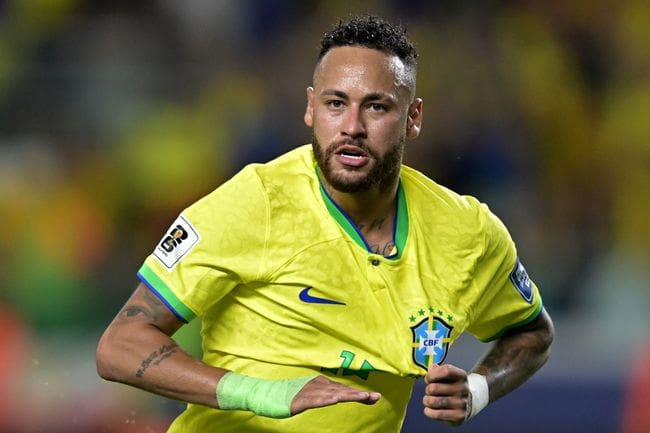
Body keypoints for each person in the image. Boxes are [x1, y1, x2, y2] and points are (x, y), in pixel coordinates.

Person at [96, 15, 554, 433]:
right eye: (337, 103)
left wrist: (478, 389)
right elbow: (120, 346)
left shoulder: (467, 234)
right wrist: (265, 394)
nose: (351, 126)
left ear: (413, 119)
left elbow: (533, 331)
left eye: (376, 107)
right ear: (311, 109)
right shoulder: (255, 202)